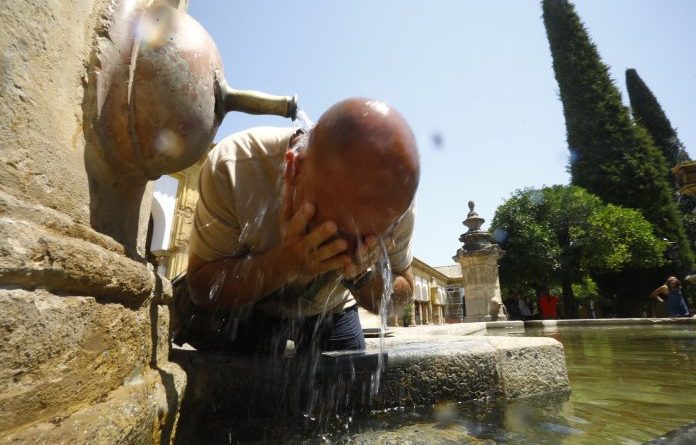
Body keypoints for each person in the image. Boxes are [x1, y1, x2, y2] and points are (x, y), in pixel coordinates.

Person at [171, 98, 420, 356]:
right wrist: (285, 262)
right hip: (251, 305)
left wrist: (361, 277)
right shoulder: (235, 165)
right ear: (294, 168)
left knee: (350, 377)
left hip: (331, 307)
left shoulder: (395, 204)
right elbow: (201, 288)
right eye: (329, 228)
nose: (340, 247)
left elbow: (401, 296)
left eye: (363, 237)